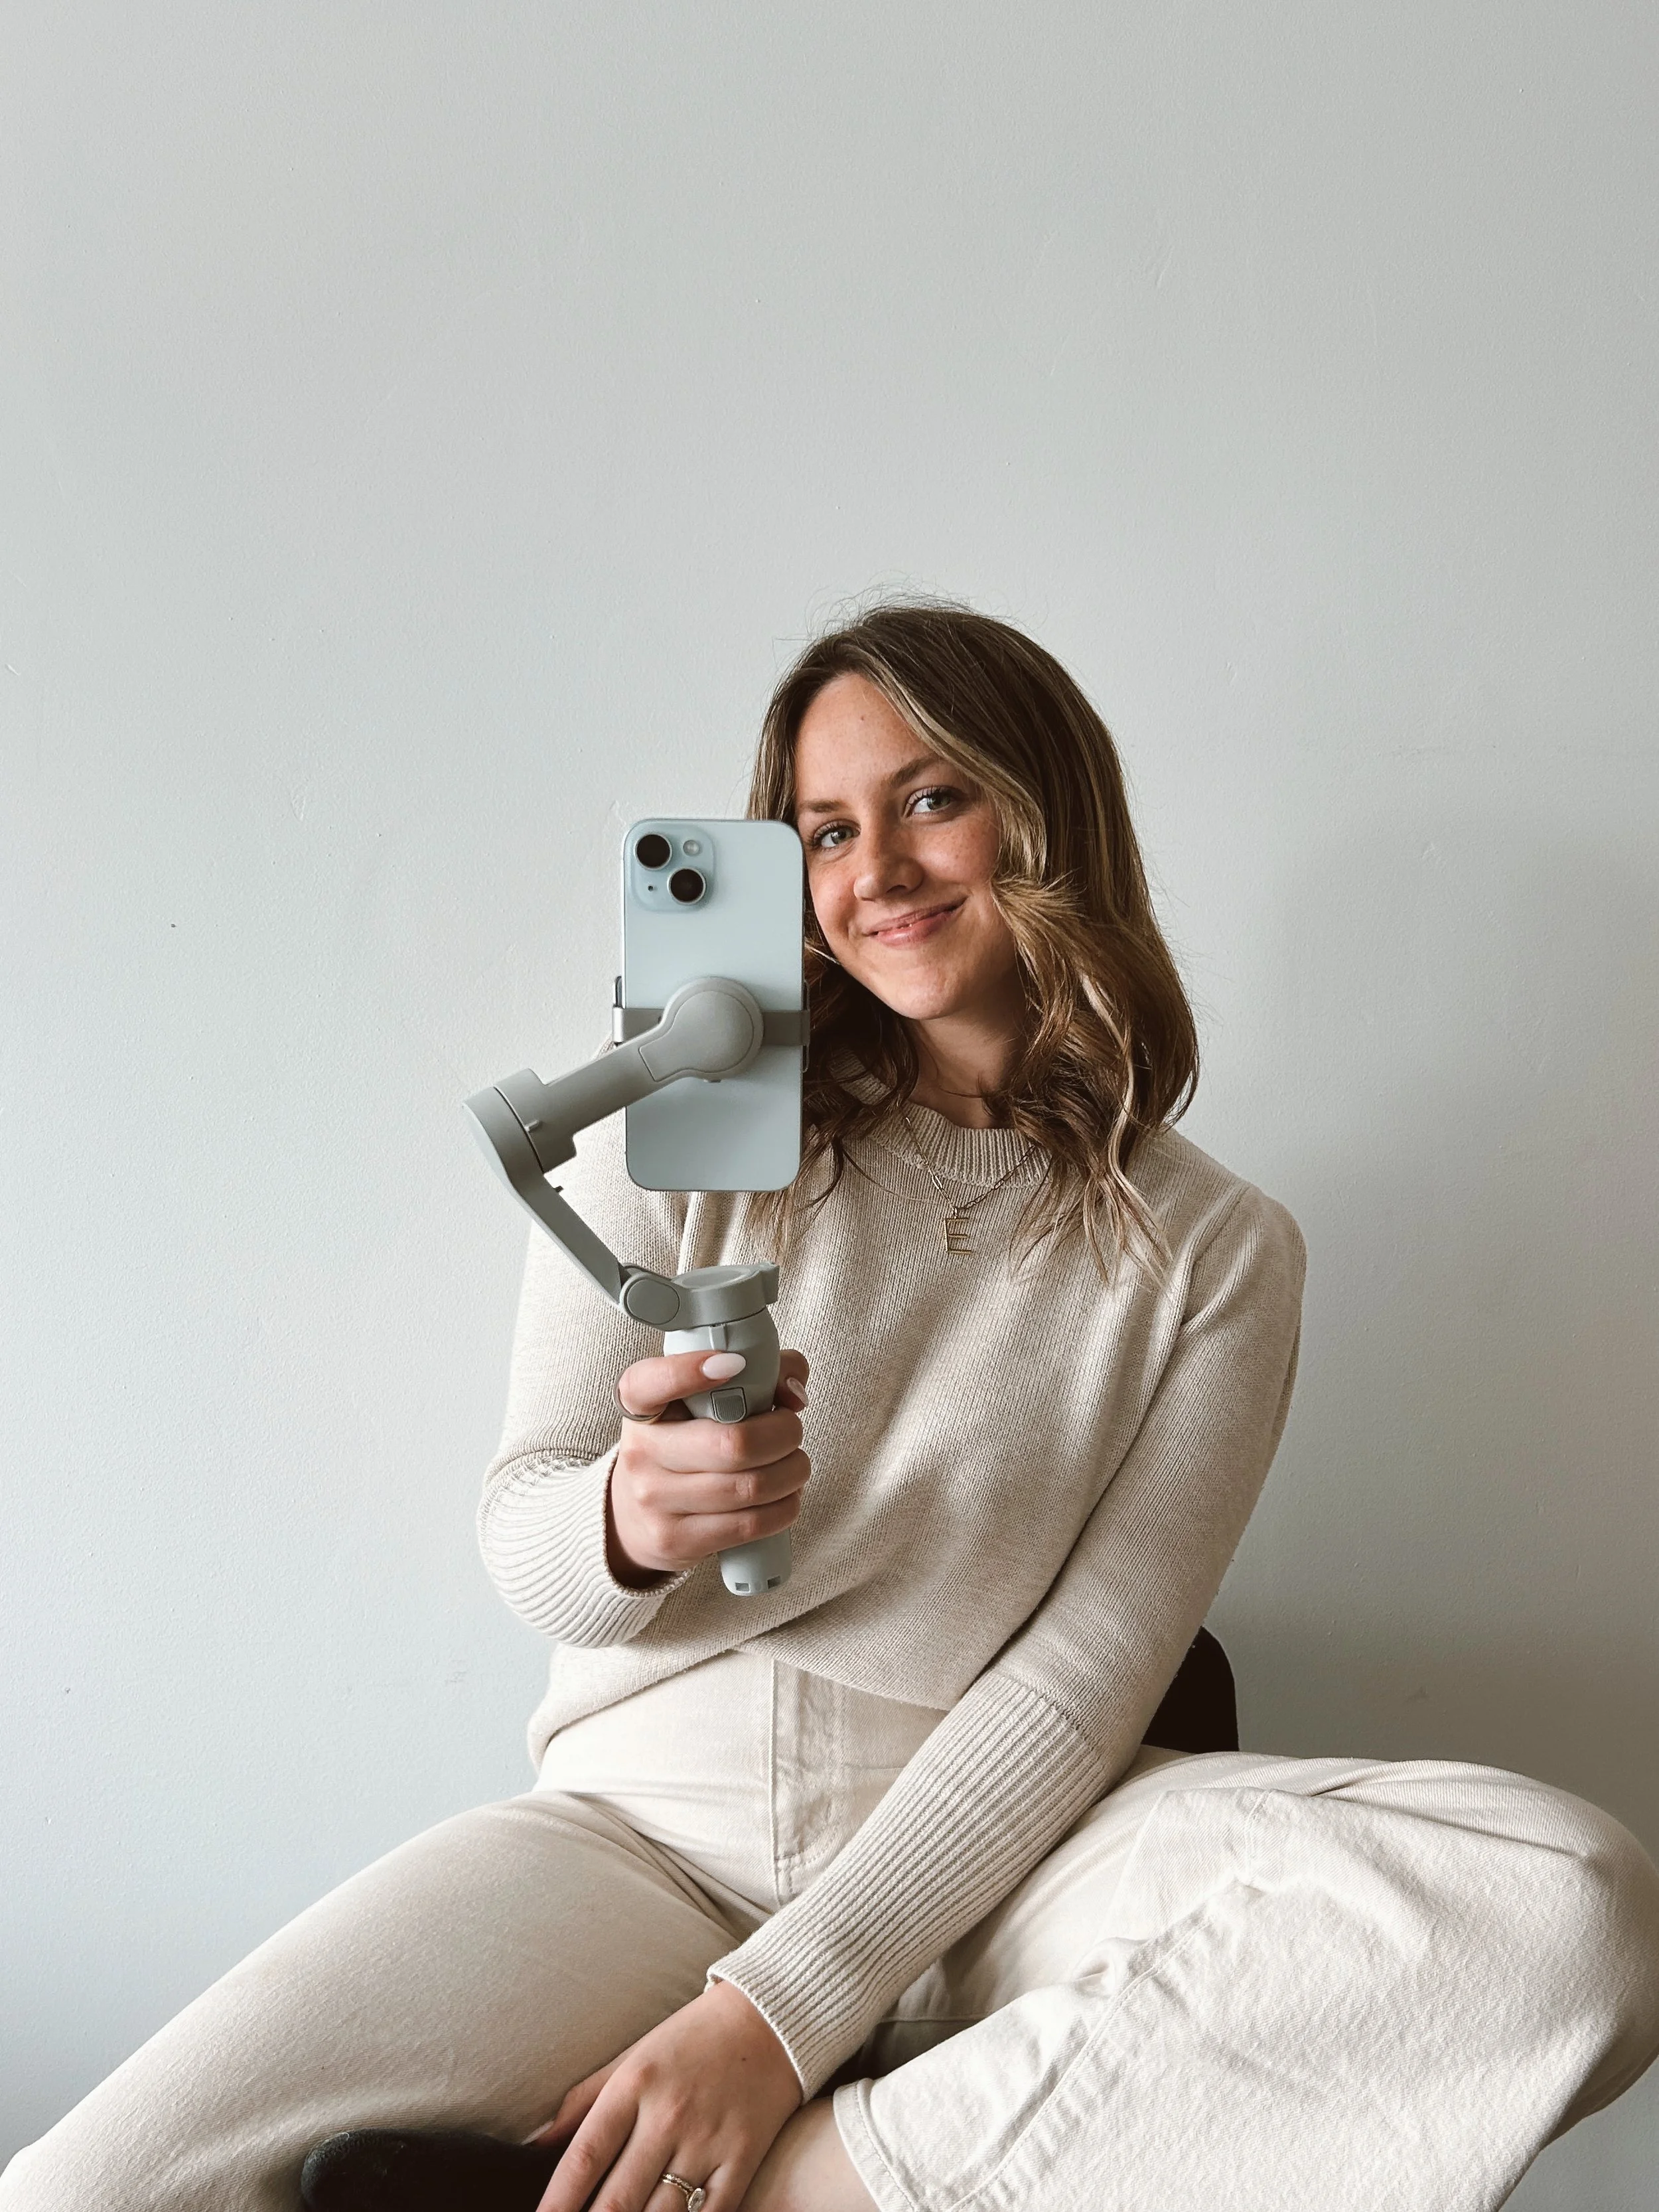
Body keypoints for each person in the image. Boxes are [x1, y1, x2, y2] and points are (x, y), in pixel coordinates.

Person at [6, 604, 1658, 2212]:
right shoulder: (675, 1124)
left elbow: (1083, 1686)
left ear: (1044, 812)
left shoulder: (1216, 1250)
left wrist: (772, 2030)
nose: (871, 871)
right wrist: (625, 1521)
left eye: (931, 797)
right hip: (636, 1841)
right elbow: (525, 1530)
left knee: (1566, 1906)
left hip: (1007, 1859)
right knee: (96, 2186)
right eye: (820, 827)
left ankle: (820, 2186)